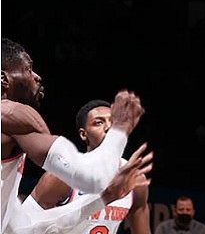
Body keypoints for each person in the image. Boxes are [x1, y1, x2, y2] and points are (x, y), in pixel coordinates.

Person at [1, 38, 145, 232]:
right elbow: (91, 177)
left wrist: (105, 197)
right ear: (4, 79)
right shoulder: (14, 115)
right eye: (28, 69)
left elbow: (24, 228)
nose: (36, 76)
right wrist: (120, 129)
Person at [24, 99, 151, 233]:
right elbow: (22, 225)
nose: (109, 127)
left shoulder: (135, 179)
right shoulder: (62, 176)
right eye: (98, 123)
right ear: (84, 134)